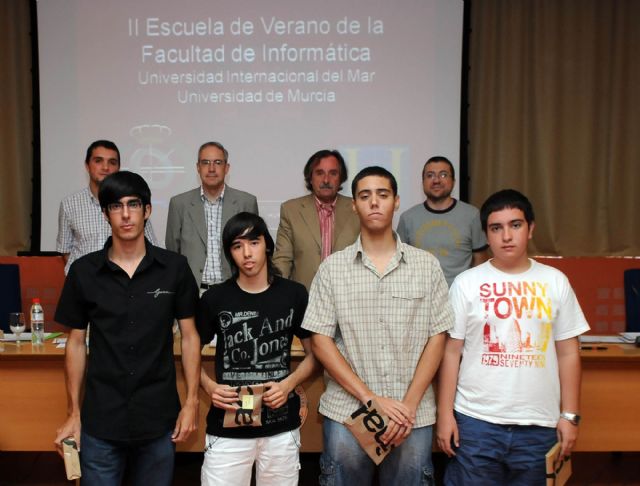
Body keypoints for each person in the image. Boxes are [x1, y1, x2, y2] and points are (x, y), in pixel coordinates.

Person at [302, 166, 453, 485]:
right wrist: (369, 398)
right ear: (354, 204)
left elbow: (437, 337)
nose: (374, 203)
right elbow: (321, 340)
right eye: (365, 196)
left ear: (396, 201)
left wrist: (408, 405)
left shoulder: (426, 266)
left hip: (412, 415)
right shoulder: (333, 269)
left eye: (382, 195)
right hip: (348, 412)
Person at [53, 171, 201, 486]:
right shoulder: (83, 272)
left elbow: (190, 338)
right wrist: (73, 412)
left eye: (133, 204)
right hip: (101, 418)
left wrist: (191, 403)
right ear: (105, 214)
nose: (125, 214)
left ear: (147, 210)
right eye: (116, 206)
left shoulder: (174, 268)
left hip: (158, 416)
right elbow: (76, 343)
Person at [436, 189, 590, 485]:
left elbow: (569, 353)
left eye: (515, 225)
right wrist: (445, 415)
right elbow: (451, 352)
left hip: (538, 426)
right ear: (486, 234)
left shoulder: (555, 282)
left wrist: (570, 416)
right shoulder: (466, 284)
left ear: (530, 229)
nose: (506, 236)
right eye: (496, 228)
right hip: (476, 422)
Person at [197, 212, 318, 486]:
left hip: (279, 427)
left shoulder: (294, 294)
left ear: (267, 245)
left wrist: (289, 384)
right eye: (237, 246)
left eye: (253, 242)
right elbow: (191, 352)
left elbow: (316, 356)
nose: (247, 253)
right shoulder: (215, 298)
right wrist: (208, 386)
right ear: (230, 253)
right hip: (228, 428)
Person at [166, 141, 258, 291]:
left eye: (218, 162)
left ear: (226, 168)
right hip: (193, 292)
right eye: (205, 162)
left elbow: (254, 251)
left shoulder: (246, 202)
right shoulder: (179, 204)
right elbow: (172, 253)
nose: (211, 168)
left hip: (235, 290)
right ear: (198, 167)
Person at [57, 140, 158, 274]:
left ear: (118, 167)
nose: (105, 167)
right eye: (98, 161)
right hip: (86, 282)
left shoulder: (133, 205)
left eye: (112, 162)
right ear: (87, 165)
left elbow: (150, 246)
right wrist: (83, 274)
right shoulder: (69, 204)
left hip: (122, 281)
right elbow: (66, 250)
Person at [273, 149, 360, 290]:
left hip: (349, 299)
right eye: (319, 173)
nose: (326, 180)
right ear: (310, 178)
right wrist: (276, 294)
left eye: (333, 173)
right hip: (305, 299)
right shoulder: (291, 210)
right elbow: (282, 259)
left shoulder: (357, 209)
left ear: (341, 178)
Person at [397, 155, 488, 286]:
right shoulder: (407, 218)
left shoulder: (472, 215)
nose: (436, 180)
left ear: (454, 181)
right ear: (423, 182)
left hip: (459, 296)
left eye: (443, 175)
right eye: (430, 175)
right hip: (420, 297)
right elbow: (400, 263)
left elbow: (480, 261)